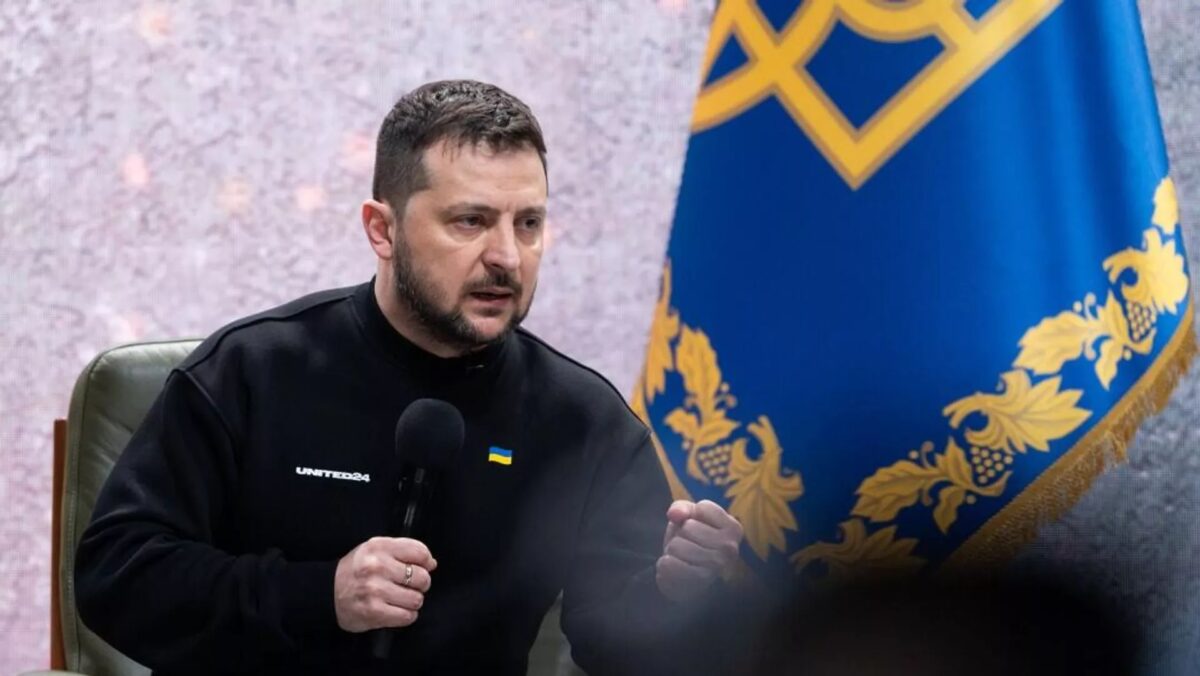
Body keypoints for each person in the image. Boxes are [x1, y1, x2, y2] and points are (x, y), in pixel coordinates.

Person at [74, 79, 744, 676]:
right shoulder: (251, 372)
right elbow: (116, 577)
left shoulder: (582, 420)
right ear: (382, 230)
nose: (507, 257)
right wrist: (319, 595)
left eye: (528, 224)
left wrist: (676, 597)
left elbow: (615, 644)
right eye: (470, 221)